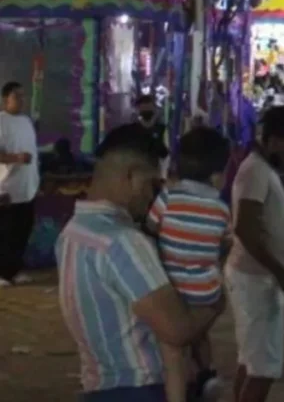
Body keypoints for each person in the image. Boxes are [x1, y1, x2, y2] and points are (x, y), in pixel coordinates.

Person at [57, 124, 222, 399]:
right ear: (131, 177)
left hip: (99, 387)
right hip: (142, 387)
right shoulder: (123, 242)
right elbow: (177, 329)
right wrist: (216, 301)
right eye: (152, 185)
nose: (152, 196)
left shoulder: (72, 233)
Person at [227, 105, 284, 402]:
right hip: (256, 279)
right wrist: (279, 270)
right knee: (263, 369)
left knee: (251, 361)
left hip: (256, 277)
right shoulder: (255, 172)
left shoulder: (260, 169)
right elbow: (245, 228)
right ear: (273, 139)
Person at [146, 127, 232, 402]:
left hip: (169, 286)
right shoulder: (221, 209)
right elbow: (224, 245)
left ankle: (184, 384)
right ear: (217, 176)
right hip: (206, 290)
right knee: (200, 334)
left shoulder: (168, 198)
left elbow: (150, 229)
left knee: (173, 345)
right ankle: (207, 374)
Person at [0, 80, 39, 287]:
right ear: (6, 99)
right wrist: (16, 158)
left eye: (23, 96)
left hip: (27, 188)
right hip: (6, 189)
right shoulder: (1, 122)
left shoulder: (26, 121)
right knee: (5, 232)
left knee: (21, 231)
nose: (22, 100)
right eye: (17, 96)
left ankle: (14, 271)